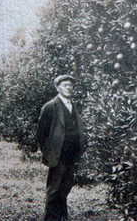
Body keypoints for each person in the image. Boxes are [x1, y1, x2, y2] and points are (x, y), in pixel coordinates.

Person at [37, 75, 86, 221]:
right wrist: (49, 151)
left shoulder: (72, 106)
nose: (69, 88)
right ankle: (50, 218)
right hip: (58, 155)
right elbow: (41, 133)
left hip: (72, 154)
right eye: (65, 85)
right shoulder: (51, 106)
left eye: (71, 85)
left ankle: (61, 216)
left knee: (66, 186)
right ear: (58, 88)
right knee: (54, 188)